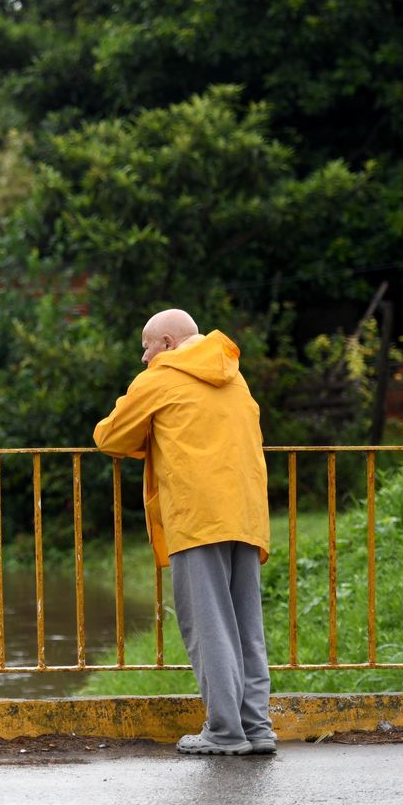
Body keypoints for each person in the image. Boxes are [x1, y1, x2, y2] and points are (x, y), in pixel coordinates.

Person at [93, 309, 275, 755]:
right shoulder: (234, 376)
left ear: (169, 343)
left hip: (197, 516)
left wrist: (151, 435)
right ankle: (257, 728)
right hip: (246, 515)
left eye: (146, 345)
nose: (143, 356)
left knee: (208, 627)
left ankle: (225, 732)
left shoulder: (160, 379)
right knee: (246, 626)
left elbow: (110, 437)